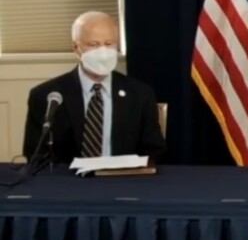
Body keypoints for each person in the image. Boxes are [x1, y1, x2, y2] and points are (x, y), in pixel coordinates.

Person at [23, 11, 166, 164]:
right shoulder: (47, 96)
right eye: (94, 45)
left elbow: (154, 151)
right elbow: (36, 155)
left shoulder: (140, 94)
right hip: (70, 183)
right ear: (76, 48)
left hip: (124, 181)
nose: (103, 53)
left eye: (109, 44)